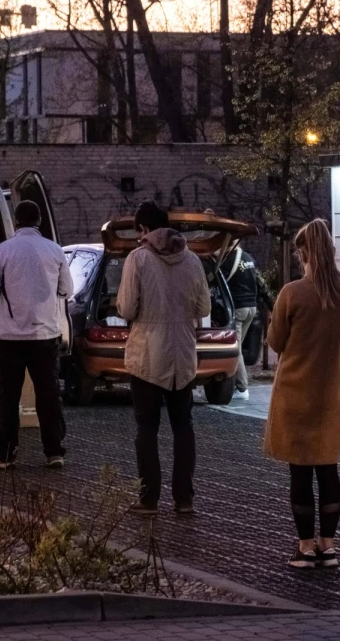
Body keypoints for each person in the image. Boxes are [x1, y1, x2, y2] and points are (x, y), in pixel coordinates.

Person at [263, 219, 340, 568]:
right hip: (332, 393)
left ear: (303, 253)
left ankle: (305, 547)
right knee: (328, 468)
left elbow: (275, 341)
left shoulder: (292, 293)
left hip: (294, 393)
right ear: (332, 251)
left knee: (300, 472)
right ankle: (329, 545)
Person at [117, 202, 211, 515]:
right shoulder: (192, 260)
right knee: (183, 427)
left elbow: (127, 308)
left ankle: (149, 499)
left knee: (147, 428)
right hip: (183, 356)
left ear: (144, 230)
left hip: (147, 356)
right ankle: (184, 498)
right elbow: (204, 308)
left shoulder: (138, 259)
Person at [0, 201, 72, 470]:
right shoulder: (54, 250)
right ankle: (54, 452)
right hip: (46, 335)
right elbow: (67, 290)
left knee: (9, 397)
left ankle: (5, 454)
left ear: (16, 221)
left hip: (11, 337)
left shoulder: (4, 250)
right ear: (39, 220)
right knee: (49, 395)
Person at [220, 244, 273, 400]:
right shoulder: (249, 259)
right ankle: (235, 383)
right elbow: (262, 285)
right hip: (252, 307)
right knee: (237, 347)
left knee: (234, 348)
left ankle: (242, 388)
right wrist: (273, 306)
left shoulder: (226, 261)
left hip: (238, 307)